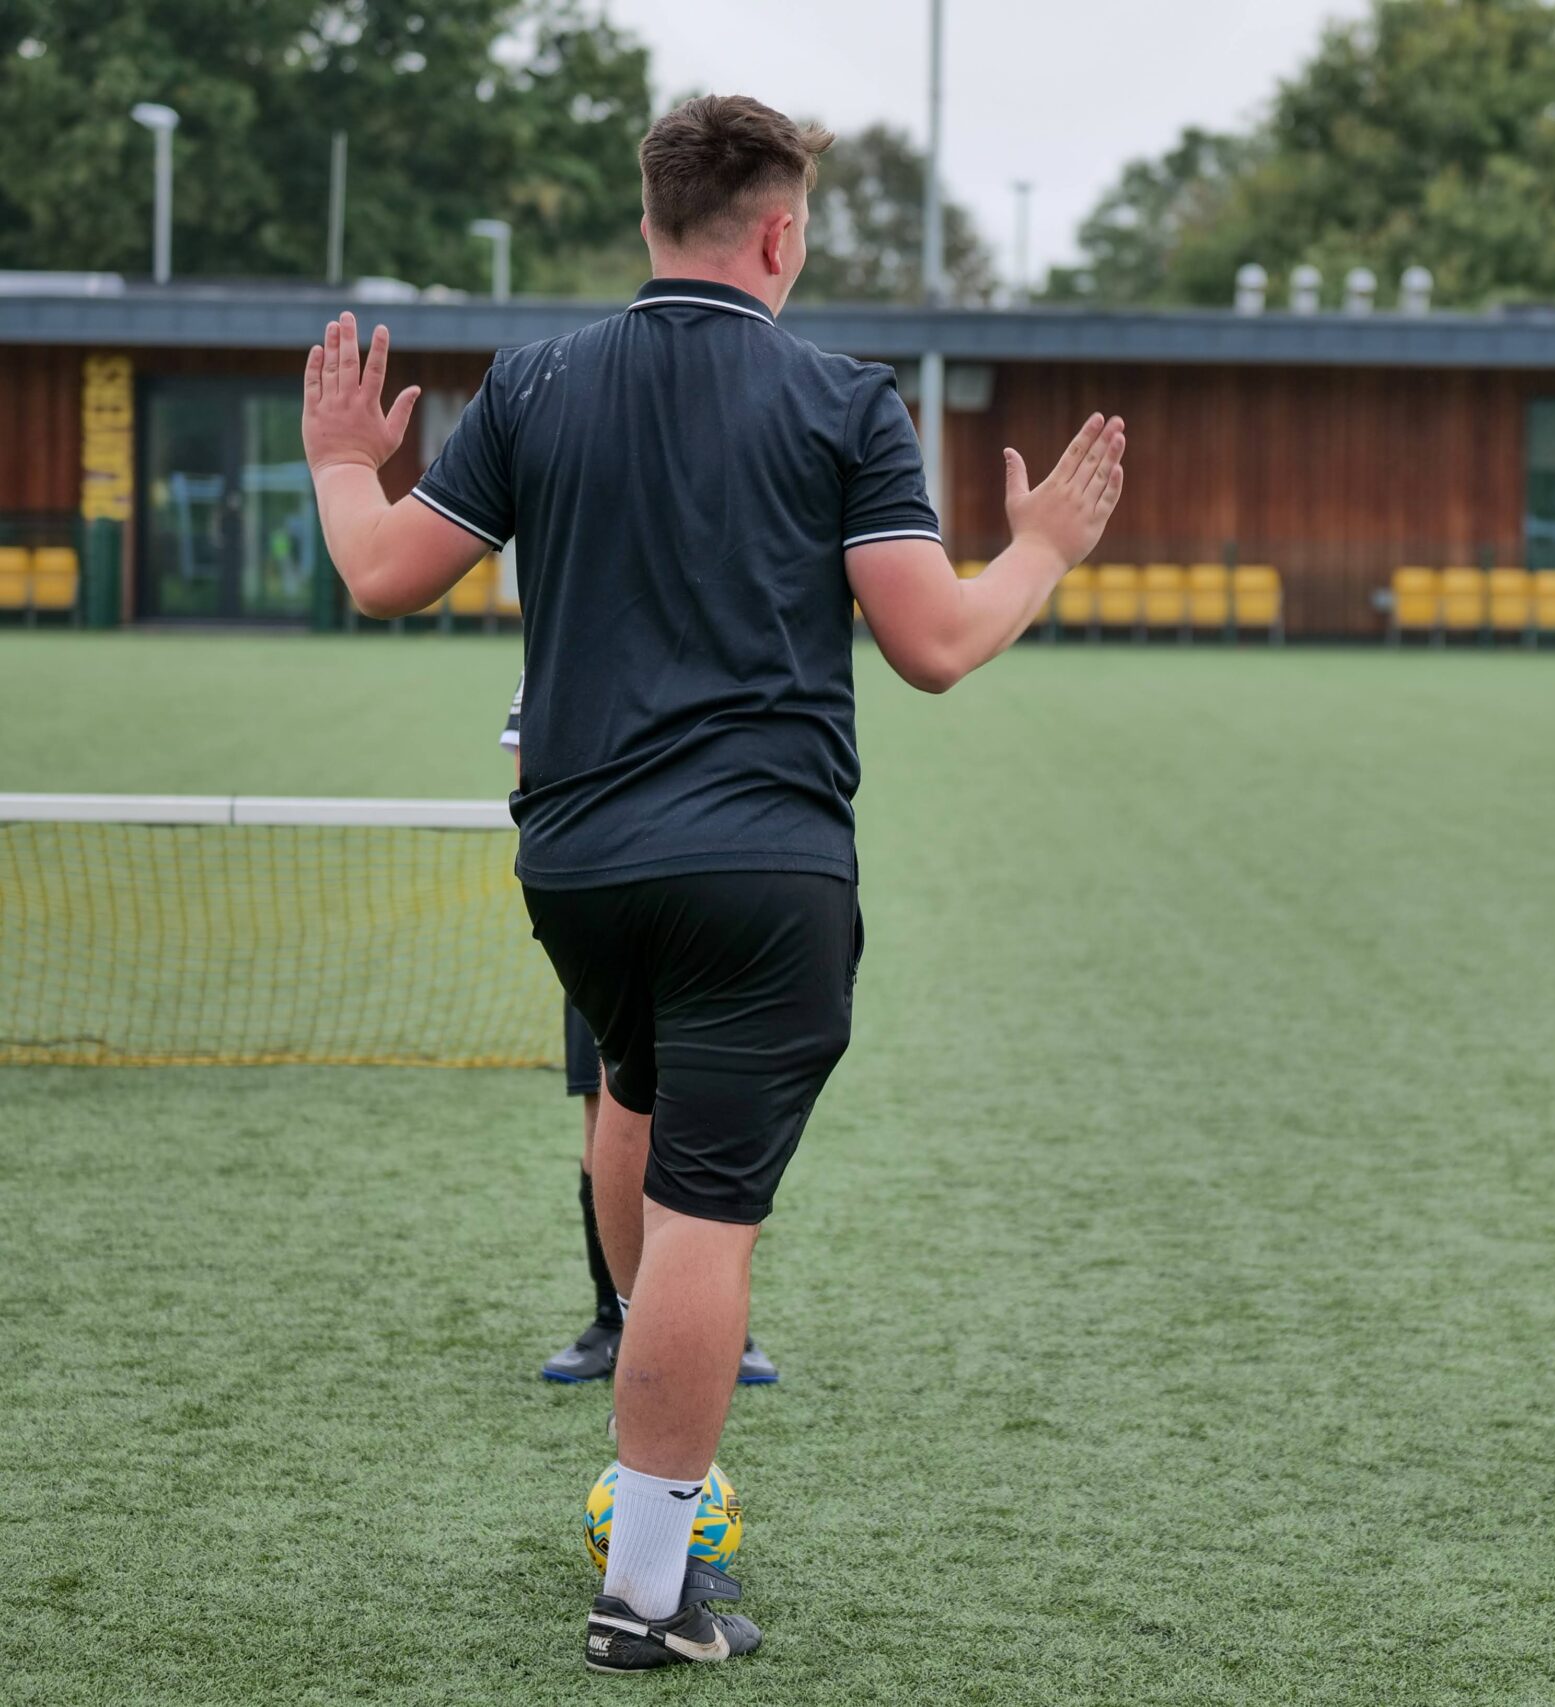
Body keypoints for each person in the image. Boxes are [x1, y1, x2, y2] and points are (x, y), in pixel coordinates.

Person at [302, 93, 1126, 1671]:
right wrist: (1042, 548)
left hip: (576, 864)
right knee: (711, 1218)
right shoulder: (842, 397)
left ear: (649, 220)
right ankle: (645, 1591)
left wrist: (343, 455)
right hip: (761, 865)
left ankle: (649, 1460)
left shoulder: (535, 382)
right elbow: (935, 643)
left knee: (635, 1094)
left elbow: (379, 571)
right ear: (780, 231)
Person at [502, 672, 778, 1389]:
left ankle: (715, 1319)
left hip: (714, 899)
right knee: (607, 1108)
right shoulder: (564, 644)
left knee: (717, 1118)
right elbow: (529, 766)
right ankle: (613, 1318)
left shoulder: (738, 643)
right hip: (605, 900)